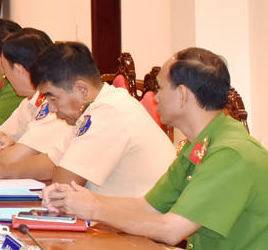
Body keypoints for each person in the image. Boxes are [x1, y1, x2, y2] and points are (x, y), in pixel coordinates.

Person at [43, 48, 268, 250]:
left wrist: (94, 209)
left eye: (160, 88)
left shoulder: (230, 153)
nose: (154, 96)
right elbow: (148, 206)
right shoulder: (201, 143)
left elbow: (171, 230)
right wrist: (80, 199)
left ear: (182, 95)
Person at [31, 42, 173, 197]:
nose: (51, 108)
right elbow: (52, 162)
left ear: (81, 89)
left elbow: (61, 187)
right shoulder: (95, 107)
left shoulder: (110, 110)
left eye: (52, 98)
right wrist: (8, 169)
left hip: (133, 211)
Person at [0, 29, 73, 179]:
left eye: (6, 70)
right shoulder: (29, 100)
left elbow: (10, 160)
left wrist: (9, 145)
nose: (5, 76)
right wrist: (8, 143)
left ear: (19, 70)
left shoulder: (54, 105)